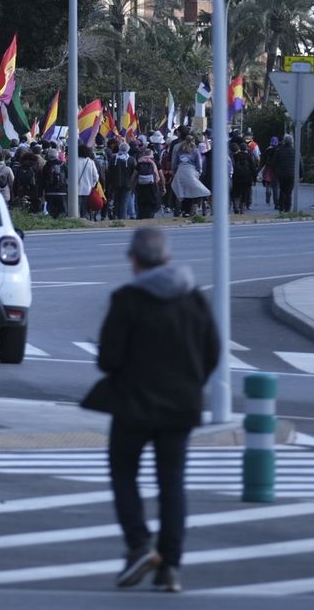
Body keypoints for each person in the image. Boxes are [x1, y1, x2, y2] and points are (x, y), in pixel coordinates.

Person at [80, 228, 219, 593]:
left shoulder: (128, 299)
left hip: (133, 405)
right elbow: (213, 351)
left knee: (124, 473)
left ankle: (139, 544)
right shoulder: (193, 298)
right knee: (172, 483)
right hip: (181, 406)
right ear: (167, 258)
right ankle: (170, 567)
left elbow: (109, 360)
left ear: (135, 260)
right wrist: (190, 383)